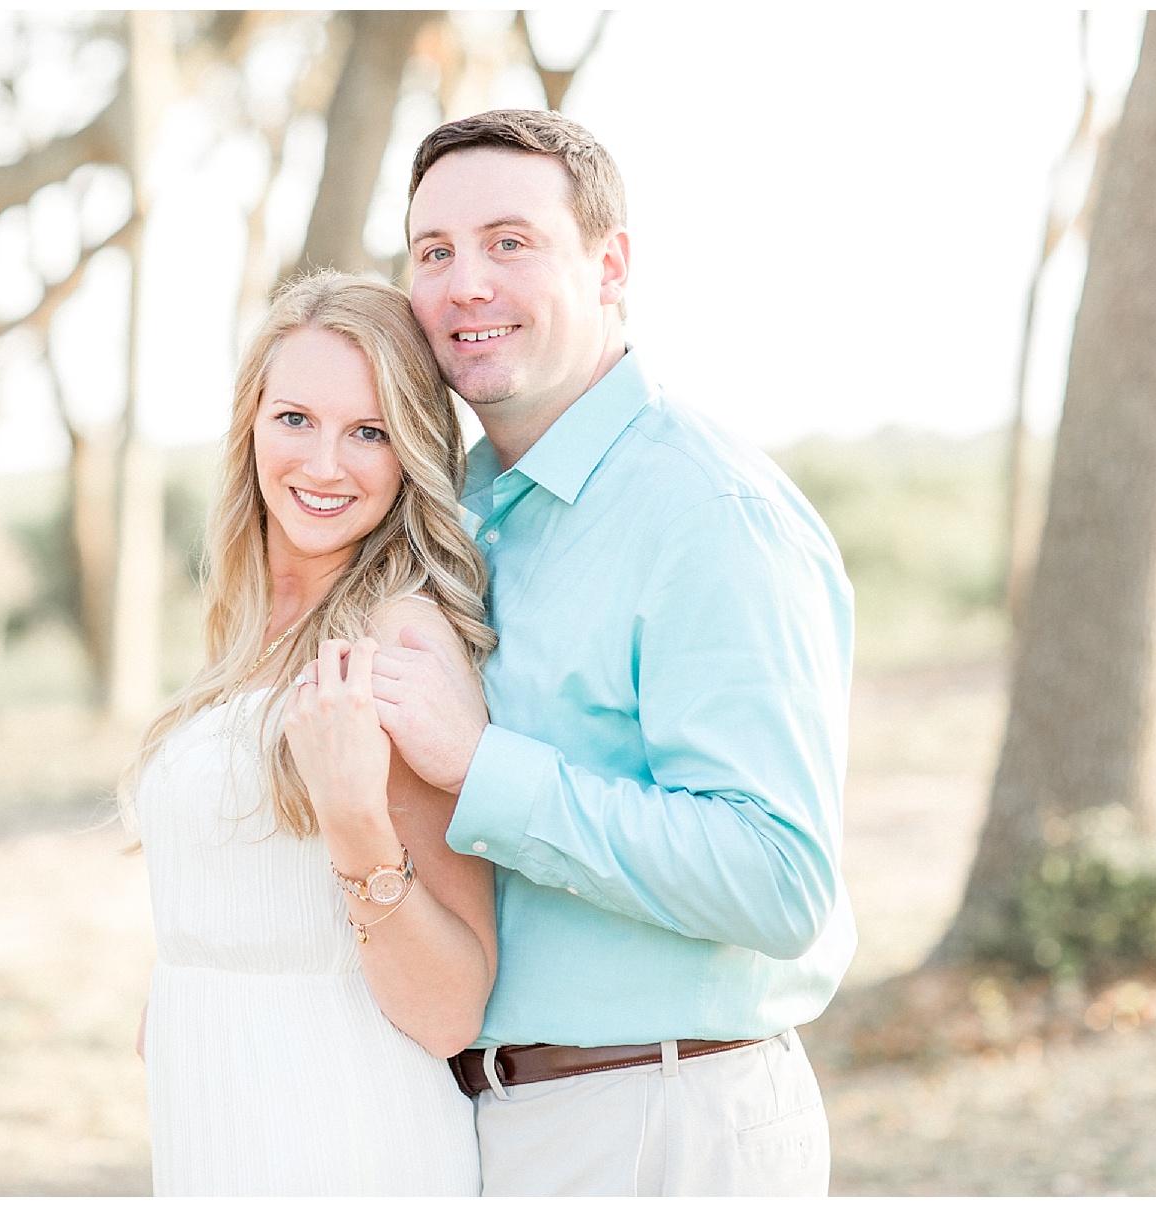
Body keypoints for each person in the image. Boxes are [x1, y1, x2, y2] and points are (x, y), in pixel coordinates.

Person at [368, 110, 859, 1195]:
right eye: (434, 251)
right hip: (498, 1122)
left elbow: (780, 880)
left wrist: (482, 765)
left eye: (510, 242)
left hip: (665, 1121)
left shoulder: (706, 514)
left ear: (611, 264)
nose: (465, 284)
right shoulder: (465, 514)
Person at [130, 271, 498, 1196]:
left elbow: (453, 1005)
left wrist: (354, 817)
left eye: (368, 432)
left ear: (410, 449)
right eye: (295, 418)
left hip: (342, 1133)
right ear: (251, 421)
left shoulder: (399, 639)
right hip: (218, 1117)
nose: (324, 464)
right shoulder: (251, 625)